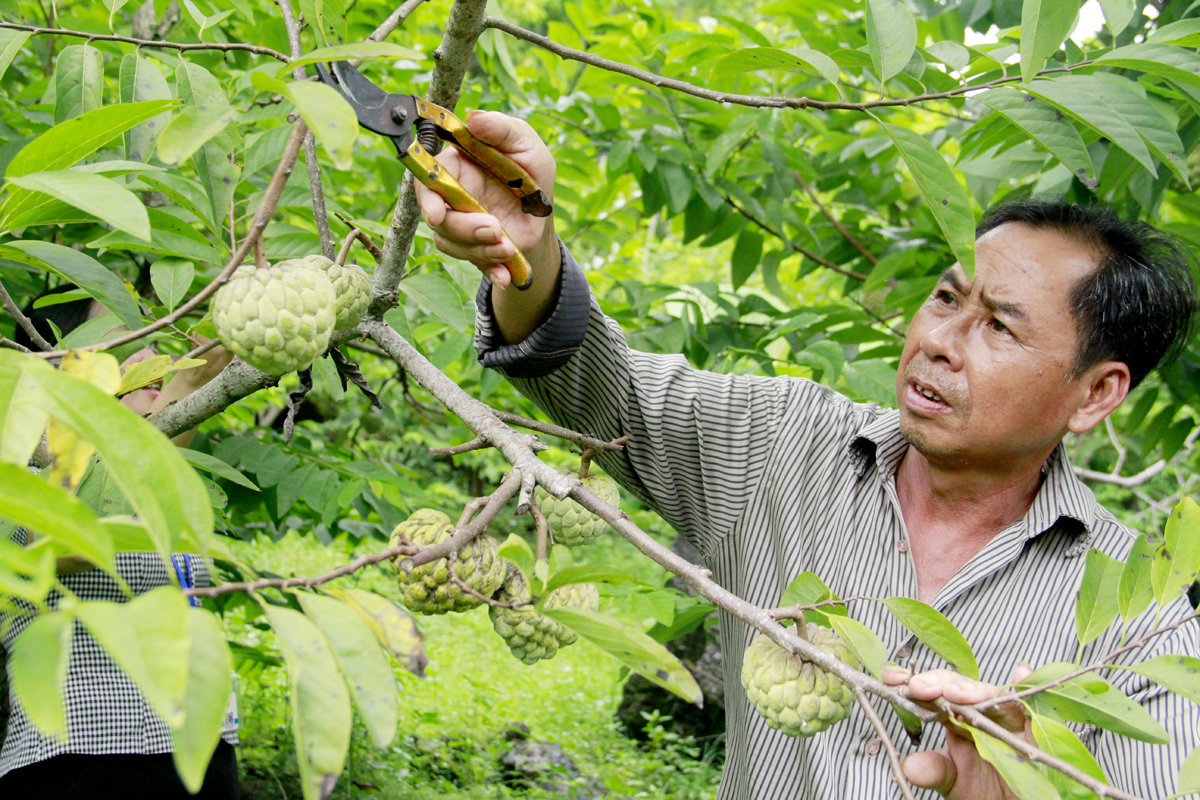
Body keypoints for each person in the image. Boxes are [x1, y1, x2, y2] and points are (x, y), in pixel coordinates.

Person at [415, 111, 1200, 800]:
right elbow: (603, 388)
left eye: (998, 327)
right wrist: (525, 249)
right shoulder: (783, 442)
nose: (937, 343)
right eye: (946, 298)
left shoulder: (1148, 621)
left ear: (1096, 394)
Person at [0, 288, 240, 800]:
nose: (145, 358)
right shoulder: (23, 464)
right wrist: (182, 394)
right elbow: (67, 544)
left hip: (199, 748)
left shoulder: (155, 467)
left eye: (149, 342)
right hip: (85, 757)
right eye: (117, 348)